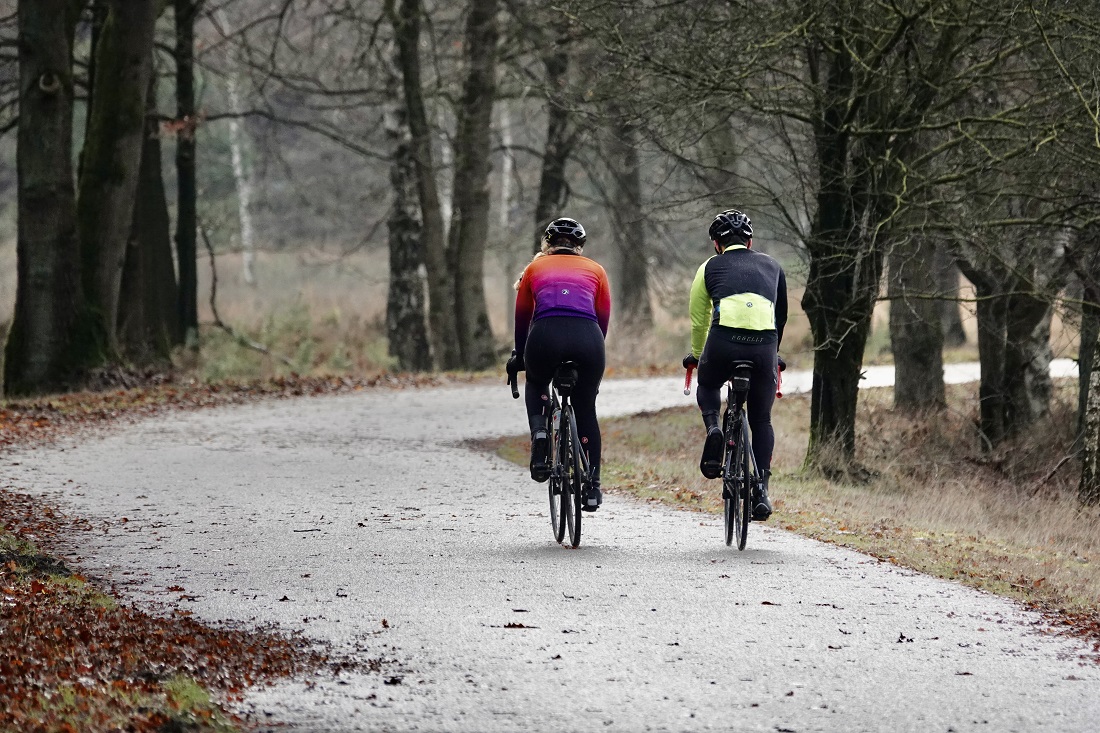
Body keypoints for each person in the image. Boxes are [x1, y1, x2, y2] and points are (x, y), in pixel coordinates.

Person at [683, 209, 787, 521]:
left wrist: (697, 354)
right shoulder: (773, 265)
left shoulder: (708, 267)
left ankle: (714, 427)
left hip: (723, 343)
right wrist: (774, 353)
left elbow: (699, 318)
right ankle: (762, 490)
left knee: (709, 383)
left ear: (716, 243)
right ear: (750, 241)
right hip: (764, 347)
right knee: (761, 420)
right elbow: (779, 316)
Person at [507, 217, 611, 511]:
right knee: (585, 408)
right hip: (588, 339)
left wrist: (519, 354)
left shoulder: (534, 269)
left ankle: (540, 432)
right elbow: (602, 318)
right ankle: (592, 486)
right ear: (579, 246)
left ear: (547, 245)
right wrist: (589, 352)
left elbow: (522, 317)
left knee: (537, 382)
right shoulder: (596, 270)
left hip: (545, 337)